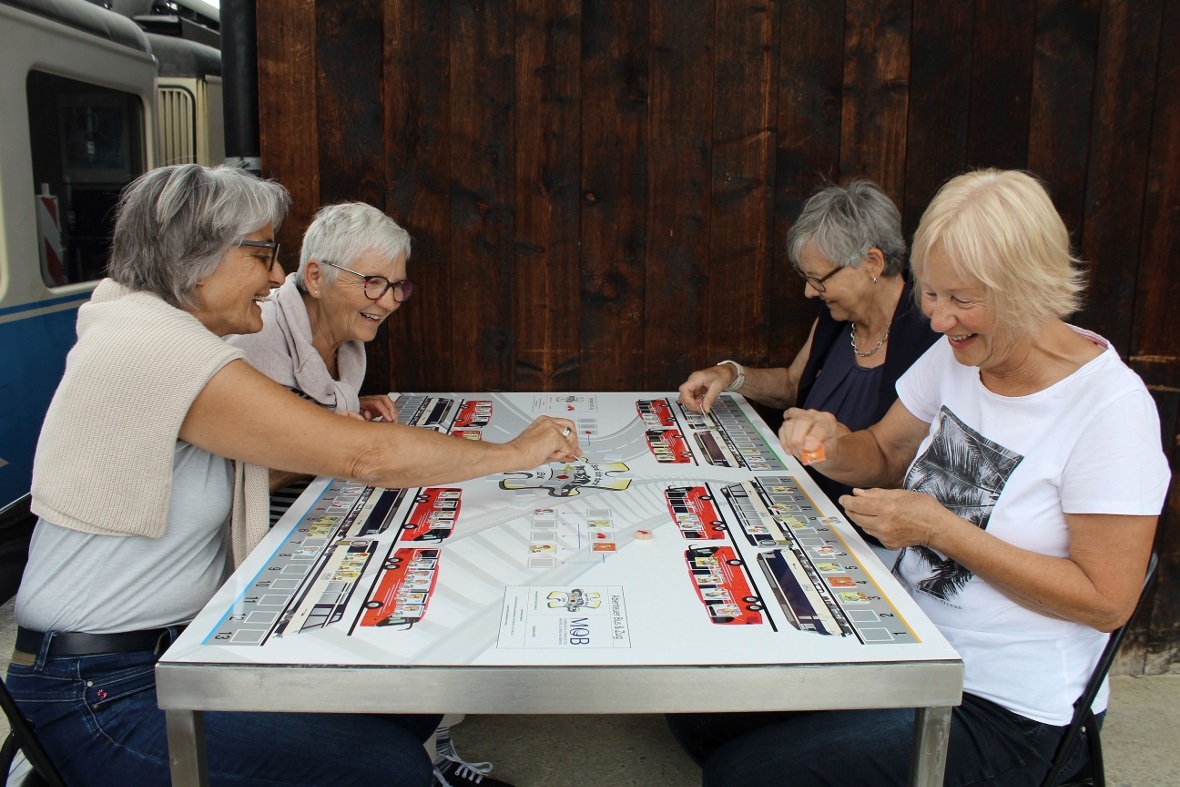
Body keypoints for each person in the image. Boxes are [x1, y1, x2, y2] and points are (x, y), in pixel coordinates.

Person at [7, 164, 580, 787]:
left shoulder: (149, 329)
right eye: (262, 254)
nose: (278, 275)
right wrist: (513, 453)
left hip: (174, 649)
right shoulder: (159, 350)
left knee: (407, 693)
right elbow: (365, 457)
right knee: (391, 770)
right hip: (103, 695)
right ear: (197, 257)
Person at [668, 169, 1170, 786]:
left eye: (961, 300)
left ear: (1030, 287)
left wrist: (940, 529)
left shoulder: (1111, 409)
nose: (937, 319)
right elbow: (882, 451)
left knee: (745, 775)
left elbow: (1106, 602)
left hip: (1007, 704)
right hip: (907, 635)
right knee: (698, 711)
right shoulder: (961, 352)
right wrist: (829, 444)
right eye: (931, 294)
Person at [226, 202, 510, 787]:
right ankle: (416, 758)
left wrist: (348, 414)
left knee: (433, 569)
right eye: (373, 282)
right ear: (314, 277)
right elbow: (240, 470)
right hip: (254, 551)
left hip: (311, 518)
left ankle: (429, 748)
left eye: (397, 285)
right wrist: (341, 438)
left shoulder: (347, 342)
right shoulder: (254, 339)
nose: (389, 300)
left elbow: (318, 422)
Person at [677, 180, 938, 542]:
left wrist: (832, 448)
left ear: (872, 263)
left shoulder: (931, 337)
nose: (809, 291)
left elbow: (897, 465)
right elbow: (792, 384)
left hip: (867, 539)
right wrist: (730, 374)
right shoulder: (838, 317)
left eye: (818, 279)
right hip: (802, 509)